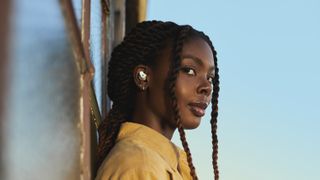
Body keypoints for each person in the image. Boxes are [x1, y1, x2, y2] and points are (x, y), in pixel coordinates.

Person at [96, 20, 220, 180]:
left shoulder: (170, 165)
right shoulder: (139, 166)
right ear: (143, 77)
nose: (207, 87)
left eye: (210, 78)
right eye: (189, 70)